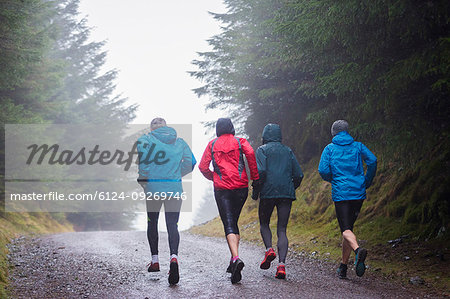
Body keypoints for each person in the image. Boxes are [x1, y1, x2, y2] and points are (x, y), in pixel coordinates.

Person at [199, 118, 259, 284]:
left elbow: (203, 167)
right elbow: (251, 154)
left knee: (229, 223)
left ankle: (235, 258)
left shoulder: (212, 144)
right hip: (241, 188)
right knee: (234, 221)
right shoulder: (240, 142)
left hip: (222, 189)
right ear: (232, 128)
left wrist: (215, 178)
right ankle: (233, 259)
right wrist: (255, 178)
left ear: (218, 129)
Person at [137, 117, 196, 285]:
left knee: (152, 222)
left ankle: (155, 261)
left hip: (153, 189)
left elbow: (144, 164)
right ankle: (174, 258)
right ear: (166, 127)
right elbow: (191, 162)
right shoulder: (180, 142)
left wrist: (144, 180)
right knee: (172, 225)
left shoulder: (145, 140)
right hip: (174, 189)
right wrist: (177, 174)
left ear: (151, 128)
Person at [318, 120, 377, 279]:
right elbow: (372, 160)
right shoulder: (358, 146)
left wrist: (334, 180)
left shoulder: (329, 149)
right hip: (358, 192)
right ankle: (343, 267)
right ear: (347, 131)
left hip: (341, 193)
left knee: (345, 229)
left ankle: (358, 251)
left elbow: (323, 170)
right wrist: (366, 181)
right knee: (348, 228)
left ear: (333, 133)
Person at [252, 123, 303, 279]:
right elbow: (299, 174)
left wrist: (256, 190)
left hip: (267, 193)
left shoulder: (262, 150)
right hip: (285, 194)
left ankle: (269, 249)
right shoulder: (287, 151)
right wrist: (290, 187)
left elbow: (260, 172)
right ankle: (281, 266)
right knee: (282, 229)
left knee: (264, 223)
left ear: (264, 136)